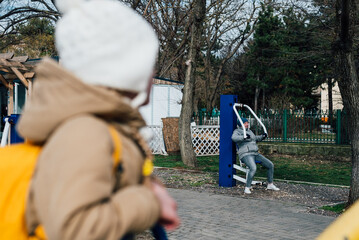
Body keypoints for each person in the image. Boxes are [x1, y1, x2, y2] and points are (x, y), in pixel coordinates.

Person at [16, 0, 180, 239]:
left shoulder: (103, 127)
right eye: (146, 64)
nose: (152, 74)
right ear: (122, 71)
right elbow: (76, 228)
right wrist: (149, 202)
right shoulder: (86, 133)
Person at [231, 117, 280, 194]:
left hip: (255, 153)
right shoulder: (237, 131)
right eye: (245, 123)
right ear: (241, 124)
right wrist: (243, 137)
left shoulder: (249, 131)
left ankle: (270, 184)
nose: (247, 124)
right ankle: (247, 187)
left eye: (247, 122)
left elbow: (254, 138)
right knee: (253, 168)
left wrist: (262, 137)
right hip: (246, 154)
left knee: (270, 165)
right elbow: (234, 138)